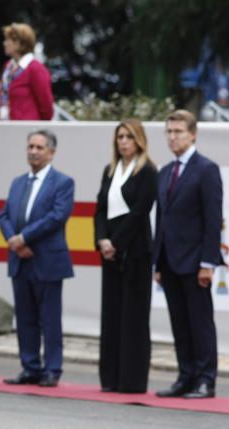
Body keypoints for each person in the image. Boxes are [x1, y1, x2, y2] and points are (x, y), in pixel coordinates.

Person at [153, 109, 223, 399]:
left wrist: (208, 262)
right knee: (179, 323)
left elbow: (212, 220)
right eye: (169, 132)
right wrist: (157, 262)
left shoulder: (206, 169)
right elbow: (161, 220)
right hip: (169, 260)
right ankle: (186, 376)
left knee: (200, 322)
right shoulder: (166, 172)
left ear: (193, 134)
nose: (172, 137)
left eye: (178, 132)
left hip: (195, 262)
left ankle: (206, 379)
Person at [0, 130, 74, 387]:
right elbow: (4, 215)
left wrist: (24, 238)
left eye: (39, 147)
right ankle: (30, 367)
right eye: (30, 146)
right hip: (21, 259)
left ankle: (52, 369)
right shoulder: (18, 182)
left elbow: (57, 217)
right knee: (26, 317)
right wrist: (14, 241)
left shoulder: (63, 182)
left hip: (48, 260)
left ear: (51, 152)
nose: (33, 151)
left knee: (50, 319)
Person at [93, 119, 158, 393]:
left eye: (129, 137)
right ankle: (111, 378)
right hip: (111, 253)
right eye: (120, 136)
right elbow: (100, 208)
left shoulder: (148, 171)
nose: (123, 141)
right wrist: (102, 240)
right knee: (112, 314)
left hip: (135, 252)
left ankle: (132, 380)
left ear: (139, 140)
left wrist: (116, 242)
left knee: (133, 316)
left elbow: (140, 211)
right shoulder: (110, 170)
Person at [0, 23, 54, 122]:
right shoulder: (8, 66)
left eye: (8, 40)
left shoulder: (36, 68)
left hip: (26, 129)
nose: (4, 43)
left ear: (19, 43)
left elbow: (46, 107)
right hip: (5, 125)